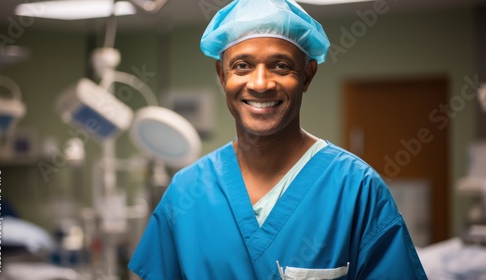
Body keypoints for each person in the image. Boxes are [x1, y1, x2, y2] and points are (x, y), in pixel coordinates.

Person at [128, 0, 427, 279]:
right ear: (222, 74)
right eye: (242, 65)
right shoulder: (187, 192)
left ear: (308, 75)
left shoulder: (356, 189)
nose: (260, 84)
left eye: (280, 65)